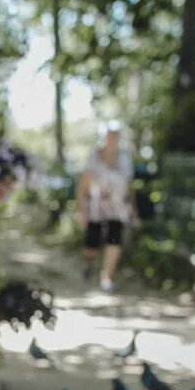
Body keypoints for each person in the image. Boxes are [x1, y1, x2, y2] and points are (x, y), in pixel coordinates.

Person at [76, 122, 135, 292]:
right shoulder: (95, 156)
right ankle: (88, 264)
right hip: (97, 208)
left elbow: (129, 185)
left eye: (116, 135)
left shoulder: (124, 157)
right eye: (110, 135)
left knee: (114, 242)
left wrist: (132, 206)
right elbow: (83, 184)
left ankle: (106, 277)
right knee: (91, 245)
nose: (113, 139)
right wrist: (81, 209)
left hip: (118, 209)